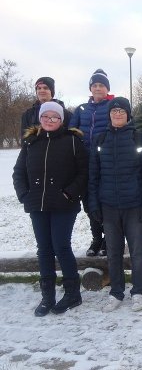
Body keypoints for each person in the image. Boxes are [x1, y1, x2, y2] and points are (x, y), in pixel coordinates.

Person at [13, 102, 88, 316]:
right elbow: (19, 172)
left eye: (54, 117)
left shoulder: (73, 141)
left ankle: (73, 293)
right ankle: (47, 295)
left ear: (61, 120)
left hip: (64, 205)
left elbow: (83, 173)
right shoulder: (31, 142)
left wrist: (69, 194)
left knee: (61, 246)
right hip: (37, 204)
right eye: (46, 116)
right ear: (40, 118)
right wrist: (24, 194)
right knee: (44, 249)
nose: (50, 120)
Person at [88, 97, 142, 313]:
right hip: (108, 206)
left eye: (121, 111)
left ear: (128, 115)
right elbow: (93, 176)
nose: (117, 114)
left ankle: (138, 291)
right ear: (109, 114)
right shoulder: (100, 139)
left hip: (134, 206)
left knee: (137, 252)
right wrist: (94, 205)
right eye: (114, 111)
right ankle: (116, 292)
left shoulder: (138, 138)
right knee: (113, 252)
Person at [69, 69, 114, 257]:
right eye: (94, 85)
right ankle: (96, 238)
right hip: (84, 162)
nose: (97, 88)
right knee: (89, 202)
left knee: (105, 201)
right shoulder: (81, 109)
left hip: (105, 162)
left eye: (101, 85)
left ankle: (107, 239)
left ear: (107, 88)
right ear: (90, 88)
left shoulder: (113, 106)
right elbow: (71, 131)